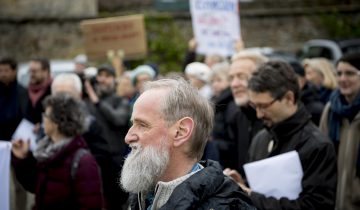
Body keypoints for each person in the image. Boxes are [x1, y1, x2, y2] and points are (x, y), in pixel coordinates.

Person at [121, 78, 255, 210]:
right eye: (133, 124)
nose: (128, 137)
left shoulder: (227, 205)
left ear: (181, 132)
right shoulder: (142, 194)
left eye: (143, 125)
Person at [227, 60, 337, 209]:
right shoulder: (261, 138)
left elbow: (313, 206)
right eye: (254, 106)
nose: (258, 114)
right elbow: (261, 189)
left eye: (263, 106)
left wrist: (249, 195)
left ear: (289, 98)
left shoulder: (318, 146)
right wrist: (242, 184)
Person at [12, 93, 104, 210]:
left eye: (45, 115)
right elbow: (36, 186)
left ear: (57, 122)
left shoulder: (83, 161)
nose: (42, 118)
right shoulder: (47, 151)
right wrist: (23, 159)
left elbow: (90, 204)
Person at [52, 73, 127, 210]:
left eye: (67, 95)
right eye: (58, 95)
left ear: (78, 95)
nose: (62, 101)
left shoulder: (89, 121)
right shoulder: (48, 124)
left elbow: (118, 120)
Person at [320, 53, 360, 210]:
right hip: (333, 200)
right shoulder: (331, 110)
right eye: (339, 73)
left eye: (350, 73)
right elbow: (322, 154)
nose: (343, 79)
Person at [224, 51, 267, 174]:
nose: (234, 84)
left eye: (241, 77)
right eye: (231, 78)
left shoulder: (274, 119)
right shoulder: (239, 116)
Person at [0, 57, 28, 140]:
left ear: (14, 71)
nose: (3, 74)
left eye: (6, 70)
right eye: (0, 71)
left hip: (17, 138)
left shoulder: (22, 92)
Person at [290, 61, 324, 125]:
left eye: (292, 79)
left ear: (303, 80)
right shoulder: (287, 103)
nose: (288, 83)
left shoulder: (315, 108)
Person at [26, 58, 52, 126]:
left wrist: (41, 126)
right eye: (30, 71)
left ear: (45, 71)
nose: (31, 74)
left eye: (34, 71)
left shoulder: (53, 90)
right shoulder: (25, 91)